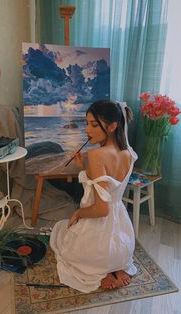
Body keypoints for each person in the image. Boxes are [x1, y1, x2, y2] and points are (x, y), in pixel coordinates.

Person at [50, 100, 138, 293]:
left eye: (94, 125)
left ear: (113, 126)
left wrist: (79, 212)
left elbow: (101, 208)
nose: (87, 130)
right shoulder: (128, 153)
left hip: (99, 234)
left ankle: (102, 270)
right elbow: (108, 184)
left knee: (62, 234)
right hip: (122, 238)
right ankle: (116, 266)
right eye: (86, 123)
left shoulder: (97, 154)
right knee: (103, 247)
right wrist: (84, 165)